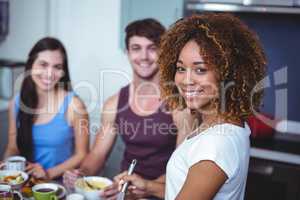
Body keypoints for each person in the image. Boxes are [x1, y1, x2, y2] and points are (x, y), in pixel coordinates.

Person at [118, 13, 267, 200]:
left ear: (228, 74)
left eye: (200, 69)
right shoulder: (226, 126)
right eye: (181, 68)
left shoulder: (215, 145)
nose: (186, 80)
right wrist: (147, 186)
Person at [63, 18, 197, 199]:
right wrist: (81, 173)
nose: (144, 56)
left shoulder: (179, 104)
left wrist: (144, 189)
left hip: (165, 192)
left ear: (163, 52)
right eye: (136, 48)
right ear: (127, 52)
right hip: (124, 191)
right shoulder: (114, 103)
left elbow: (183, 168)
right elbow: (97, 154)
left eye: (152, 48)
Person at [3, 37, 89, 180]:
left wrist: (48, 173)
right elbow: (13, 147)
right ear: (31, 65)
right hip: (24, 185)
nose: (49, 73)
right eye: (43, 64)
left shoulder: (74, 105)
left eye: (57, 67)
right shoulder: (16, 103)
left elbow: (82, 154)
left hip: (58, 186)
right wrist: (7, 167)